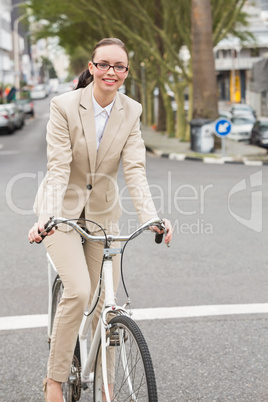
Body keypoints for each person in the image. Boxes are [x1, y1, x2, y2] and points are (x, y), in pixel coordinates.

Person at [28, 37, 172, 402]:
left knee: (106, 307)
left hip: (104, 215)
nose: (111, 71)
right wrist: (46, 217)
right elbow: (58, 168)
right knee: (78, 291)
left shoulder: (132, 111)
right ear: (91, 67)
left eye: (119, 66)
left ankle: (106, 387)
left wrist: (152, 217)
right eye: (104, 64)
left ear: (126, 72)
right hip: (61, 211)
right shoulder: (63, 106)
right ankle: (55, 380)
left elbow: (135, 171)